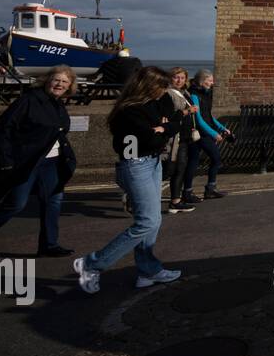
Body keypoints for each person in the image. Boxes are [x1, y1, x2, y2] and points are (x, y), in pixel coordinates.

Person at [73, 66, 182, 293]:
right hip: (135, 164)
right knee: (147, 222)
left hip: (152, 162)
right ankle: (91, 263)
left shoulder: (156, 102)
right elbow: (152, 139)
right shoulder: (129, 110)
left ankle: (147, 271)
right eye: (161, 86)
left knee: (152, 222)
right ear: (147, 85)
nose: (165, 90)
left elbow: (175, 120)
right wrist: (163, 128)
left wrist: (165, 126)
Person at [0, 65, 79, 257]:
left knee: (53, 202)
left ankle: (49, 245)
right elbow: (4, 127)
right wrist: (5, 159)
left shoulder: (58, 104)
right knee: (16, 204)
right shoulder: (29, 101)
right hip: (27, 161)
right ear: (47, 80)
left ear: (70, 86)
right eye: (56, 79)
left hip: (51, 163)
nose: (59, 84)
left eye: (64, 81)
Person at [183, 69, 234, 202]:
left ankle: (187, 192)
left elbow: (209, 115)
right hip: (200, 133)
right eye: (210, 80)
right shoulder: (194, 95)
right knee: (215, 159)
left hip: (204, 132)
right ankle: (208, 190)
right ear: (202, 81)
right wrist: (214, 133)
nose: (212, 83)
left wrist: (222, 128)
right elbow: (199, 119)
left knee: (193, 162)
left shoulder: (206, 94)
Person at [163, 67, 199, 214]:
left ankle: (175, 201)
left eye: (182, 78)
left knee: (180, 169)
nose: (179, 80)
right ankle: (137, 197)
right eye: (176, 77)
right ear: (170, 78)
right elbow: (167, 116)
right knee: (169, 170)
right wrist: (187, 112)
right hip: (173, 138)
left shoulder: (185, 93)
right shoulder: (167, 94)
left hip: (185, 136)